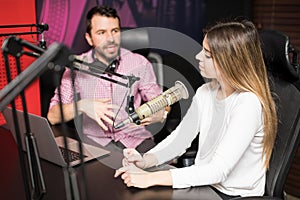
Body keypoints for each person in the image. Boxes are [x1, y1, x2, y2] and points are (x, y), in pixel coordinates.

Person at [114, 20, 278, 199]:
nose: (199, 57)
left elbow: (219, 171)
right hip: (206, 186)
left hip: (233, 195)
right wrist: (146, 160)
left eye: (207, 55)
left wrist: (151, 178)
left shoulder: (248, 103)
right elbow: (180, 139)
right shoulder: (206, 92)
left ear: (229, 61)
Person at [47, 5, 164, 152]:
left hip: (136, 140)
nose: (110, 39)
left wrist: (161, 113)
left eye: (114, 31)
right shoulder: (75, 67)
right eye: (101, 32)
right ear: (89, 38)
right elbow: (52, 116)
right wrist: (82, 106)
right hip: (96, 145)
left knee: (157, 169)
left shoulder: (139, 63)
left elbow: (162, 102)